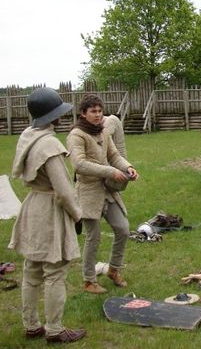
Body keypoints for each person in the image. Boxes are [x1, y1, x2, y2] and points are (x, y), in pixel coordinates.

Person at [9, 87, 86, 344]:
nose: (61, 118)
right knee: (55, 271)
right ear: (50, 116)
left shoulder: (28, 135)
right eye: (57, 113)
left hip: (32, 205)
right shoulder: (48, 143)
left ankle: (31, 325)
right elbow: (63, 190)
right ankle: (54, 329)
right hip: (49, 208)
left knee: (31, 269)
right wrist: (77, 215)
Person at [67, 94, 139, 294]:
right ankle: (89, 280)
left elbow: (114, 155)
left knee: (123, 229)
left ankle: (113, 270)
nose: (98, 115)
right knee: (94, 237)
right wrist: (110, 172)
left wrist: (128, 167)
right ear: (83, 113)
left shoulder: (103, 131)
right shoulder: (76, 135)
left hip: (108, 190)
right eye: (93, 111)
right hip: (88, 192)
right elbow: (79, 165)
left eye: (100, 111)